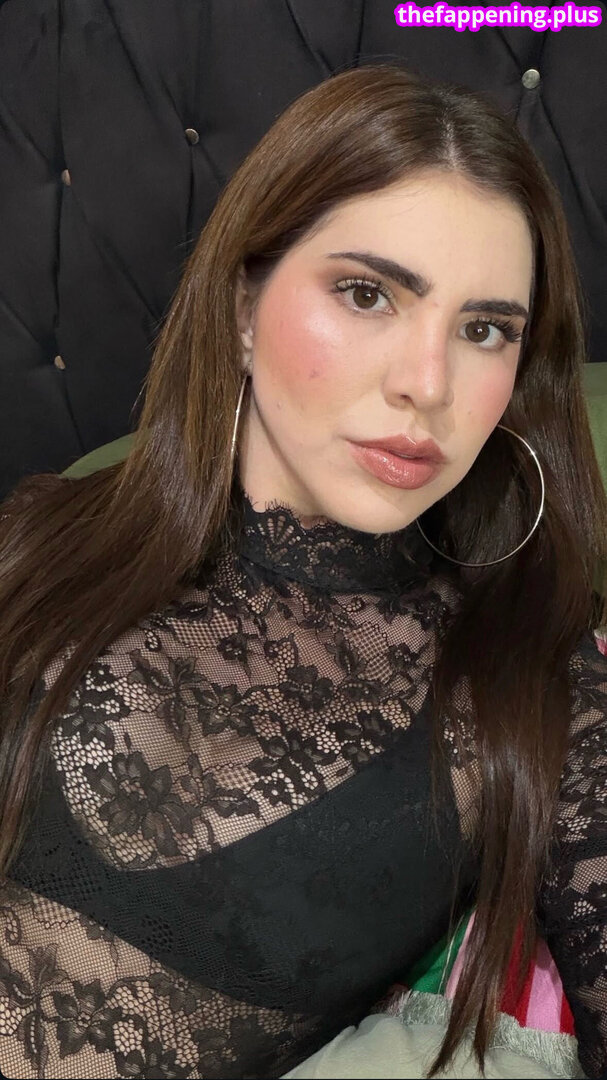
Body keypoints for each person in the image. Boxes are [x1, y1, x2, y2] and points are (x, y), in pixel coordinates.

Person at [0, 64, 605, 1080]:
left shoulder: (536, 683)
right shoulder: (39, 533)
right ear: (244, 303)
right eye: (367, 294)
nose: (426, 384)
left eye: (483, 329)